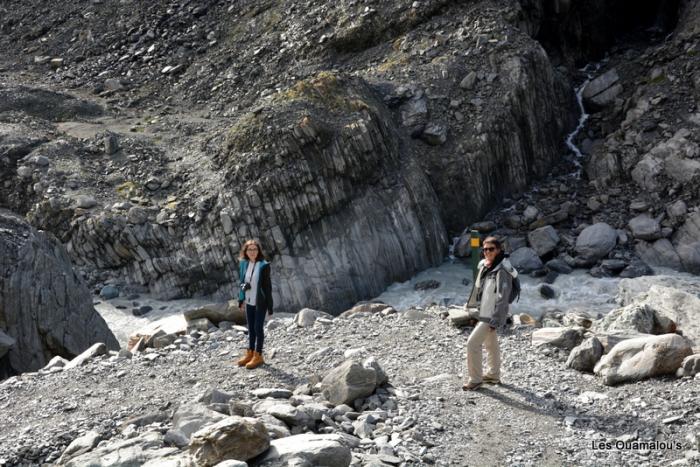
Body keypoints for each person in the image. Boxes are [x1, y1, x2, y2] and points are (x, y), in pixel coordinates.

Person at [463, 236, 517, 390]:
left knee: (472, 343)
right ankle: (493, 375)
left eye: (491, 249)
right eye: (485, 249)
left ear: (499, 250)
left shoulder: (502, 270)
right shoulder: (487, 266)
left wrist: (496, 320)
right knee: (490, 344)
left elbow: (503, 297)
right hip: (485, 311)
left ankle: (475, 380)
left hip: (491, 315)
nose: (487, 252)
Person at [236, 239, 273, 369]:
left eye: (255, 249)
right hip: (248, 301)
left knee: (258, 328)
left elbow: (268, 287)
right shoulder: (243, 264)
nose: (252, 252)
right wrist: (241, 299)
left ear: (258, 251)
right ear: (245, 251)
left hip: (260, 302)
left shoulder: (264, 265)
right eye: (250, 249)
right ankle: (250, 353)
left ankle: (258, 355)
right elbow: (241, 282)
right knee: (250, 328)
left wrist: (270, 306)